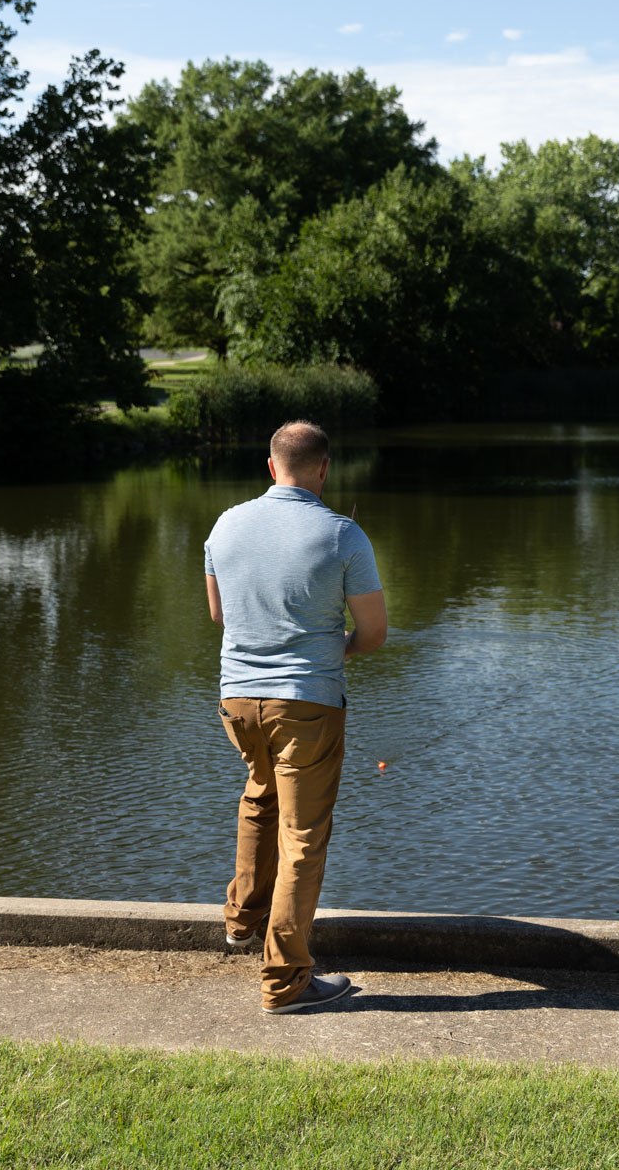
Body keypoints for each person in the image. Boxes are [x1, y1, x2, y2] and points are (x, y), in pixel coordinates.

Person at [204, 420, 388, 1013]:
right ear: (325, 470)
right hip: (305, 703)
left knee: (260, 793)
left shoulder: (225, 525)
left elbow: (218, 615)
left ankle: (241, 920)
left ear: (270, 465)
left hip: (237, 700)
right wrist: (336, 648)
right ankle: (286, 982)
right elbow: (374, 634)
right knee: (303, 837)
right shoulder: (344, 536)